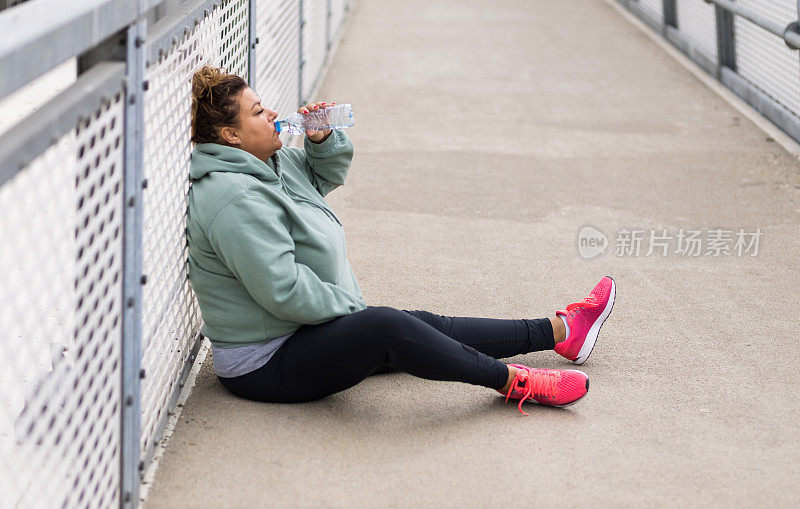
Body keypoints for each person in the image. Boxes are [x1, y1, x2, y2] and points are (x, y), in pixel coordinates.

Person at [186, 65, 616, 416]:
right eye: (258, 111)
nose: (272, 113)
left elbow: (324, 175)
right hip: (266, 360)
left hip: (304, 328)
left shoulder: (271, 164)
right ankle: (518, 383)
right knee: (387, 326)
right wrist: (355, 312)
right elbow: (284, 290)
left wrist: (321, 139)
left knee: (423, 325)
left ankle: (562, 332)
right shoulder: (235, 198)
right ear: (230, 136)